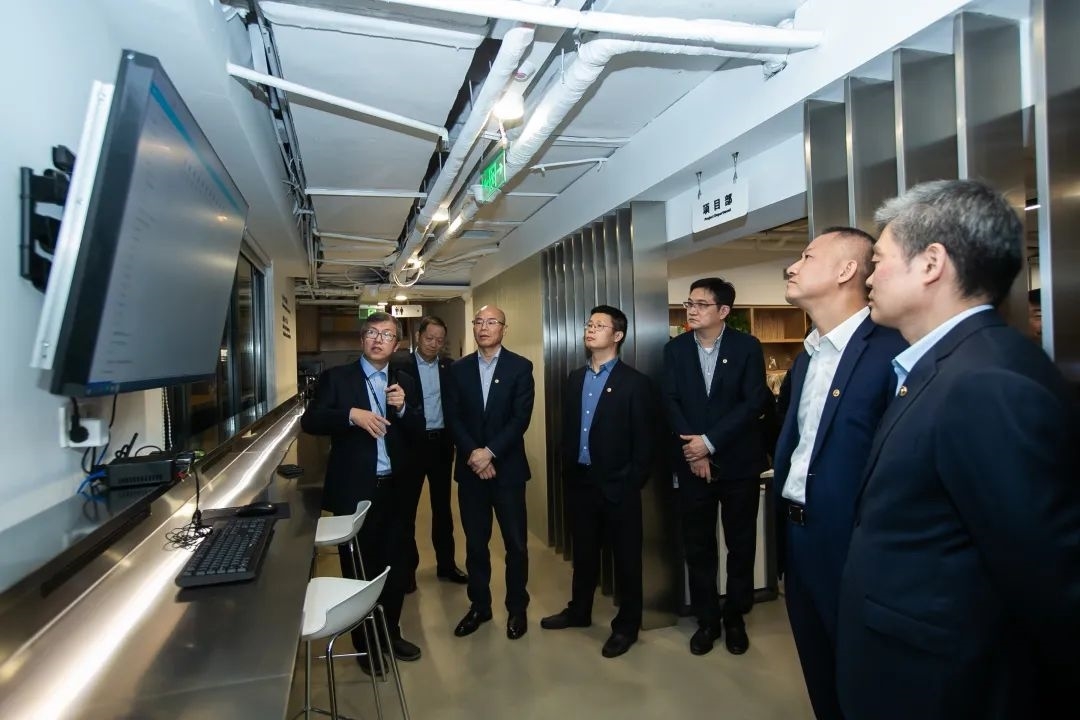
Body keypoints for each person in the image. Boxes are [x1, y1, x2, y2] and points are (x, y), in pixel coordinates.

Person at [836, 179, 1080, 719]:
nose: (869, 278)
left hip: (944, 684)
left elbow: (1048, 579)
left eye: (879, 261)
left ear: (931, 264)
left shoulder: (986, 382)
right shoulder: (946, 364)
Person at [774, 227, 907, 719]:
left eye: (807, 256)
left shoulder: (891, 351)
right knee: (819, 668)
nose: (792, 266)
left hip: (853, 542)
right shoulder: (807, 358)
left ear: (847, 270)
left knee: (866, 681)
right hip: (799, 535)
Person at [300, 311, 426, 670]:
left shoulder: (404, 380)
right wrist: (350, 415)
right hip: (356, 491)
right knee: (360, 570)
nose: (378, 340)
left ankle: (390, 633)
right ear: (362, 339)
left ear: (396, 344)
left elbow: (419, 429)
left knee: (396, 567)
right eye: (371, 333)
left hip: (397, 489)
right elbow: (311, 420)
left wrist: (404, 409)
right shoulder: (337, 379)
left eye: (386, 335)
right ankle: (365, 644)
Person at [662, 277, 772, 656]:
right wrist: (695, 451)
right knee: (699, 546)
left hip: (738, 463)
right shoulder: (675, 350)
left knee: (740, 544)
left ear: (723, 311)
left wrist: (708, 443)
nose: (692, 310)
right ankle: (707, 619)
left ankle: (735, 617)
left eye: (701, 304)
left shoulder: (747, 347)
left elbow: (753, 402)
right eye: (689, 303)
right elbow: (670, 401)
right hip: (692, 464)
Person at [540, 305, 654, 658]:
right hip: (581, 482)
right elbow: (568, 429)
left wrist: (629, 482)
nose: (590, 329)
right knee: (584, 554)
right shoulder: (575, 378)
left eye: (599, 325)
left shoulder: (635, 383)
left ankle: (626, 626)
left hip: (619, 486)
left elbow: (646, 444)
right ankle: (579, 611)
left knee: (626, 560)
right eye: (589, 324)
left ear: (617, 335)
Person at [446, 305, 535, 640]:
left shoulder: (520, 367)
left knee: (516, 545)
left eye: (491, 322)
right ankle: (480, 606)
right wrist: (474, 454)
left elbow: (520, 418)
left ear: (504, 329)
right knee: (475, 544)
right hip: (471, 472)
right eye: (479, 322)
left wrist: (490, 452)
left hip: (507, 471)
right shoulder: (458, 369)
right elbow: (453, 417)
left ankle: (517, 608)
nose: (484, 327)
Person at [391, 316, 468, 592]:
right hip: (411, 445)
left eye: (439, 340)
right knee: (406, 511)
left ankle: (446, 565)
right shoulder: (399, 366)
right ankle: (407, 571)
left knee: (443, 509)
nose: (434, 344)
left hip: (441, 445)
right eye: (429, 338)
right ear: (418, 336)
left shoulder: (450, 368)